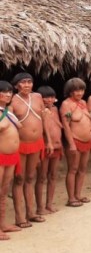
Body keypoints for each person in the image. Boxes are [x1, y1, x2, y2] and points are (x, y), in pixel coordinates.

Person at [10, 73, 51, 227]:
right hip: (20, 144)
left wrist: (49, 141)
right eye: (23, 82)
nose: (27, 85)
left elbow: (44, 119)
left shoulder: (38, 97)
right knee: (19, 179)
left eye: (29, 82)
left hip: (37, 142)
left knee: (30, 177)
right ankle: (20, 217)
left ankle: (31, 212)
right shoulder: (12, 101)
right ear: (16, 86)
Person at [61, 78, 91, 207]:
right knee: (73, 169)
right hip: (75, 140)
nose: (79, 93)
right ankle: (71, 198)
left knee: (82, 169)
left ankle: (78, 194)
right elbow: (66, 125)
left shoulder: (84, 103)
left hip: (87, 140)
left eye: (82, 90)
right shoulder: (66, 105)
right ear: (70, 91)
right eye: (76, 90)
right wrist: (71, 144)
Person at [35, 86, 63, 214]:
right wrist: (49, 143)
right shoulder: (39, 111)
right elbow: (44, 130)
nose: (49, 100)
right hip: (46, 147)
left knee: (53, 175)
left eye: (52, 97)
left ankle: (49, 204)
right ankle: (40, 207)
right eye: (46, 97)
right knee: (41, 177)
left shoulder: (56, 109)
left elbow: (58, 126)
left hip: (57, 146)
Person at [0, 81, 22, 240]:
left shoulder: (9, 111)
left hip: (12, 155)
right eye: (4, 92)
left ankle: (3, 223)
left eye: (9, 92)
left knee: (4, 190)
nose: (8, 95)